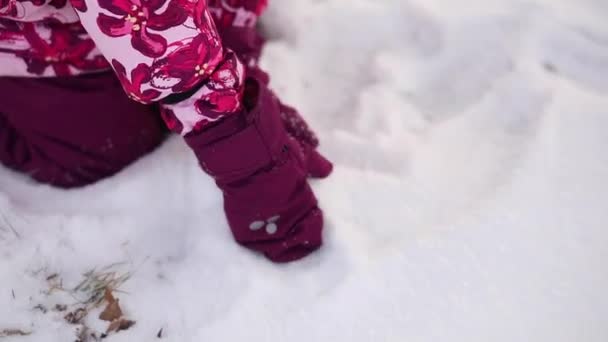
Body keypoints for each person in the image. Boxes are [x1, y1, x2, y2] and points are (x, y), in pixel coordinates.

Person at [0, 0, 333, 263]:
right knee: (101, 147)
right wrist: (255, 167)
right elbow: (153, 20)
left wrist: (234, 62)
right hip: (35, 37)